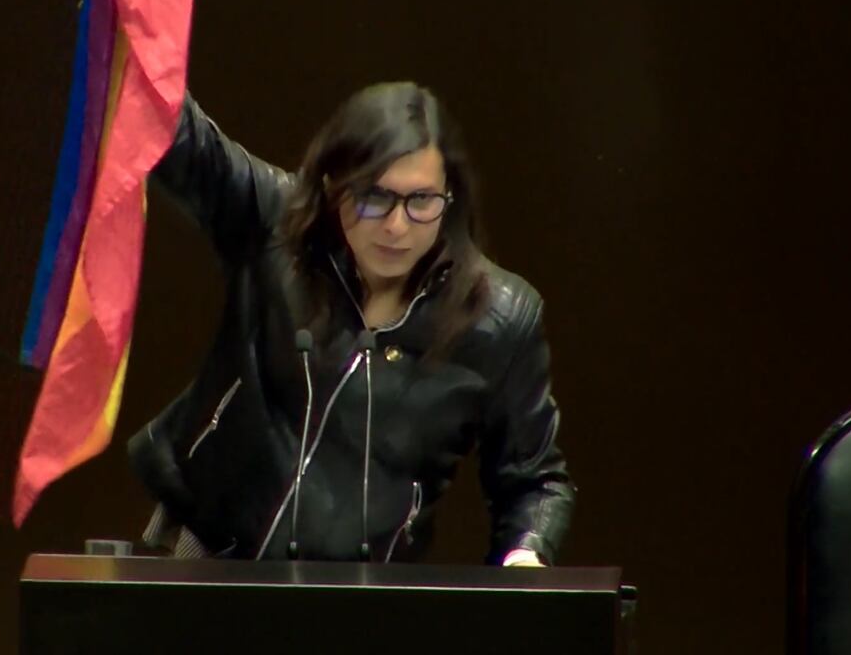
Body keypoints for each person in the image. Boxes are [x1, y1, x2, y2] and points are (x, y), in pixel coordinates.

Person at [128, 81, 574, 566]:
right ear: (330, 188)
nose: (396, 226)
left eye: (421, 201)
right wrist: (134, 32)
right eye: (372, 198)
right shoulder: (280, 225)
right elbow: (183, 140)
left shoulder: (499, 318)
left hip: (363, 591)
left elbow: (535, 481)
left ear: (451, 198)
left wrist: (525, 553)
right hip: (213, 549)